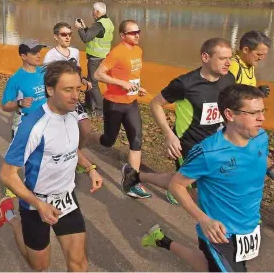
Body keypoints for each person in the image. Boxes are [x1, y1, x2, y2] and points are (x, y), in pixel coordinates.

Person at [142, 84, 273, 272]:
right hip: (219, 233)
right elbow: (176, 185)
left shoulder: (260, 136)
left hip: (250, 227)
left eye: (262, 111)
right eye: (253, 113)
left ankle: (162, 241)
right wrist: (203, 220)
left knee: (209, 266)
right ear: (230, 114)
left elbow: (262, 158)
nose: (262, 118)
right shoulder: (208, 152)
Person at [0, 60, 103, 272]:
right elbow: (7, 174)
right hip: (36, 204)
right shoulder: (33, 126)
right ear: (50, 90)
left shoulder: (72, 114)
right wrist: (39, 204)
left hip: (66, 199)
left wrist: (90, 168)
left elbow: (68, 148)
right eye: (68, 90)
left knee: (79, 264)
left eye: (77, 89)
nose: (75, 96)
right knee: (39, 265)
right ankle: (10, 217)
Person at [123, 38, 236, 205]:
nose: (228, 63)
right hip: (189, 145)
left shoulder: (229, 79)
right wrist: (169, 135)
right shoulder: (185, 84)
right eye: (222, 58)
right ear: (205, 57)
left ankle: (135, 175)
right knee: (200, 197)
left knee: (184, 184)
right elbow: (155, 104)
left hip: (217, 143)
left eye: (230, 58)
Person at [93, 19, 150, 199]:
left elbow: (131, 76)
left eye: (138, 31)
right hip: (114, 103)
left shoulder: (139, 51)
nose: (136, 35)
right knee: (108, 141)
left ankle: (132, 182)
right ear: (122, 35)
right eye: (132, 32)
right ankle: (86, 134)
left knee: (137, 140)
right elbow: (97, 74)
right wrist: (121, 83)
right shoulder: (116, 53)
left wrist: (136, 88)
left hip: (131, 102)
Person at [1, 40, 48, 199]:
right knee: (19, 158)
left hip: (44, 121)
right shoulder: (16, 79)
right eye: (34, 52)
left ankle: (34, 188)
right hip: (23, 123)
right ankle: (10, 182)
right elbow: (5, 105)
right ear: (23, 56)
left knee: (38, 158)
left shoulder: (42, 72)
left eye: (39, 51)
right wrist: (19, 103)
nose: (38, 55)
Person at [43, 22, 92, 150]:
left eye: (70, 34)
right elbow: (47, 81)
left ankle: (76, 154)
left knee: (86, 129)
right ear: (56, 37)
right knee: (61, 132)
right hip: (58, 99)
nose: (67, 37)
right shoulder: (50, 56)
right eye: (64, 34)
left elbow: (78, 73)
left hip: (74, 97)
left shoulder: (75, 52)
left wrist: (84, 81)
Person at [75, 1, 114, 115]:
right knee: (90, 81)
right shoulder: (108, 22)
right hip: (104, 57)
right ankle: (88, 105)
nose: (92, 13)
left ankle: (99, 109)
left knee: (93, 83)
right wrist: (85, 27)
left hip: (95, 58)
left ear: (97, 11)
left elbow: (86, 38)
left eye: (93, 11)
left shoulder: (98, 24)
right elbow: (95, 35)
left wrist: (79, 28)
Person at [229, 31, 271, 96]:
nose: (261, 58)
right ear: (245, 50)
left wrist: (256, 91)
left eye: (264, 55)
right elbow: (227, 95)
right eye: (258, 54)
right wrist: (256, 92)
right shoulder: (233, 66)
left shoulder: (249, 62)